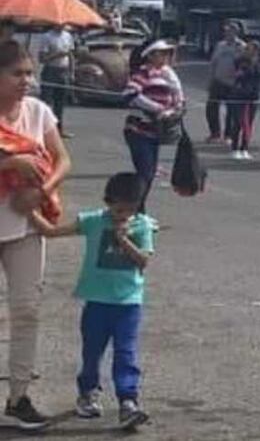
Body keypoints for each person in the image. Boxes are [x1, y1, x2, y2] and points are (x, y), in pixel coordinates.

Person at [30, 172, 154, 430]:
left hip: (128, 303)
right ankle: (88, 392)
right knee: (92, 351)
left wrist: (124, 240)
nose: (123, 215)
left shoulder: (141, 225)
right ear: (109, 202)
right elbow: (52, 232)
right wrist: (29, 210)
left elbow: (143, 260)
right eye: (119, 209)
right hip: (97, 300)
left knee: (126, 352)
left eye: (130, 209)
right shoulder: (94, 221)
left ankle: (128, 400)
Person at [0, 40, 72, 429]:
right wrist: (11, 162)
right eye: (17, 73)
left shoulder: (38, 112)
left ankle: (18, 398)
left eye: (29, 72)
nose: (26, 80)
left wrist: (39, 192)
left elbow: (62, 160)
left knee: (27, 311)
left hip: (26, 225)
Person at [122, 40, 183, 213]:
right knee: (145, 173)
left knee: (148, 175)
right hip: (138, 130)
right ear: (150, 55)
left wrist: (174, 110)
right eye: (161, 53)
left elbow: (177, 96)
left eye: (167, 54)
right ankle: (136, 211)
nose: (165, 57)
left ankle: (136, 210)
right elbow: (129, 94)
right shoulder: (143, 73)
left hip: (155, 132)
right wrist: (156, 108)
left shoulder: (166, 74)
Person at [205, 22, 243, 144]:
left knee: (231, 111)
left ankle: (228, 135)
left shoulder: (241, 46)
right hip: (218, 81)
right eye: (226, 31)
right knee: (211, 108)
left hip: (233, 83)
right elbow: (213, 63)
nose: (227, 33)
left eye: (230, 31)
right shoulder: (220, 45)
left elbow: (245, 64)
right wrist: (210, 80)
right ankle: (215, 134)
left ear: (236, 32)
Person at [226, 41, 260, 161]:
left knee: (249, 123)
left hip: (253, 96)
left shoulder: (259, 62)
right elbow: (237, 73)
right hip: (239, 95)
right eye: (249, 49)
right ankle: (235, 149)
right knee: (238, 122)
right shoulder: (240, 61)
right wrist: (241, 71)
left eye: (254, 49)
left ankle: (245, 148)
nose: (251, 51)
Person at [37, 25, 75, 138]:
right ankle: (43, 130)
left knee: (60, 103)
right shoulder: (47, 37)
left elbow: (70, 55)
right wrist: (57, 55)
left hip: (63, 70)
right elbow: (42, 59)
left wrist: (72, 72)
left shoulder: (67, 36)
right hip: (50, 70)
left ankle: (58, 130)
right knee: (46, 102)